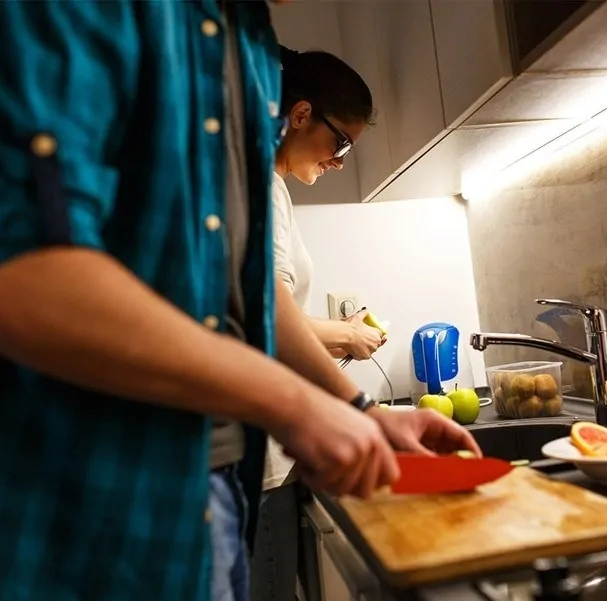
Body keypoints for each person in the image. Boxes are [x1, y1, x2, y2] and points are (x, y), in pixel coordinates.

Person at [0, 3, 480, 600]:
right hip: (85, 493)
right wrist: (295, 407)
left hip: (222, 485)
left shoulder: (253, 49)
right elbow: (9, 276)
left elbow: (249, 288)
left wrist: (360, 410)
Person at [241, 46, 387, 601]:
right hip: (262, 466)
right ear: (301, 115)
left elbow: (269, 311)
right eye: (341, 142)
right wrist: (347, 343)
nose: (340, 161)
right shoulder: (265, 185)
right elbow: (265, 320)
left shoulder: (267, 186)